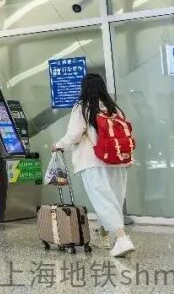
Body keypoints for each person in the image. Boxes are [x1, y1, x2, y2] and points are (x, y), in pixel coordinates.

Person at [53, 73, 135, 258]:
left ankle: (122, 239)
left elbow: (74, 134)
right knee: (114, 199)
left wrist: (59, 145)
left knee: (103, 200)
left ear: (84, 88)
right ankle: (104, 236)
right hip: (118, 161)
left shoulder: (83, 108)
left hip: (93, 162)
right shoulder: (114, 108)